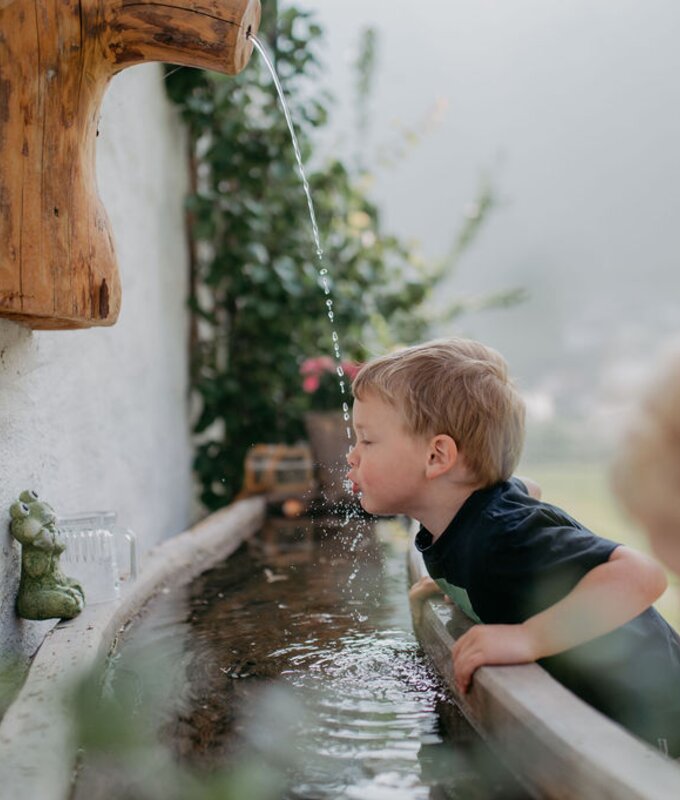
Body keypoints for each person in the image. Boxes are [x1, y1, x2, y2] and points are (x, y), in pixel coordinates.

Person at [345, 338, 680, 755]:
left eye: (367, 441)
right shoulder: (472, 518)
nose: (352, 457)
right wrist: (454, 584)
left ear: (437, 456)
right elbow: (527, 488)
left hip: (653, 710)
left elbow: (641, 575)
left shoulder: (503, 536)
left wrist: (528, 638)